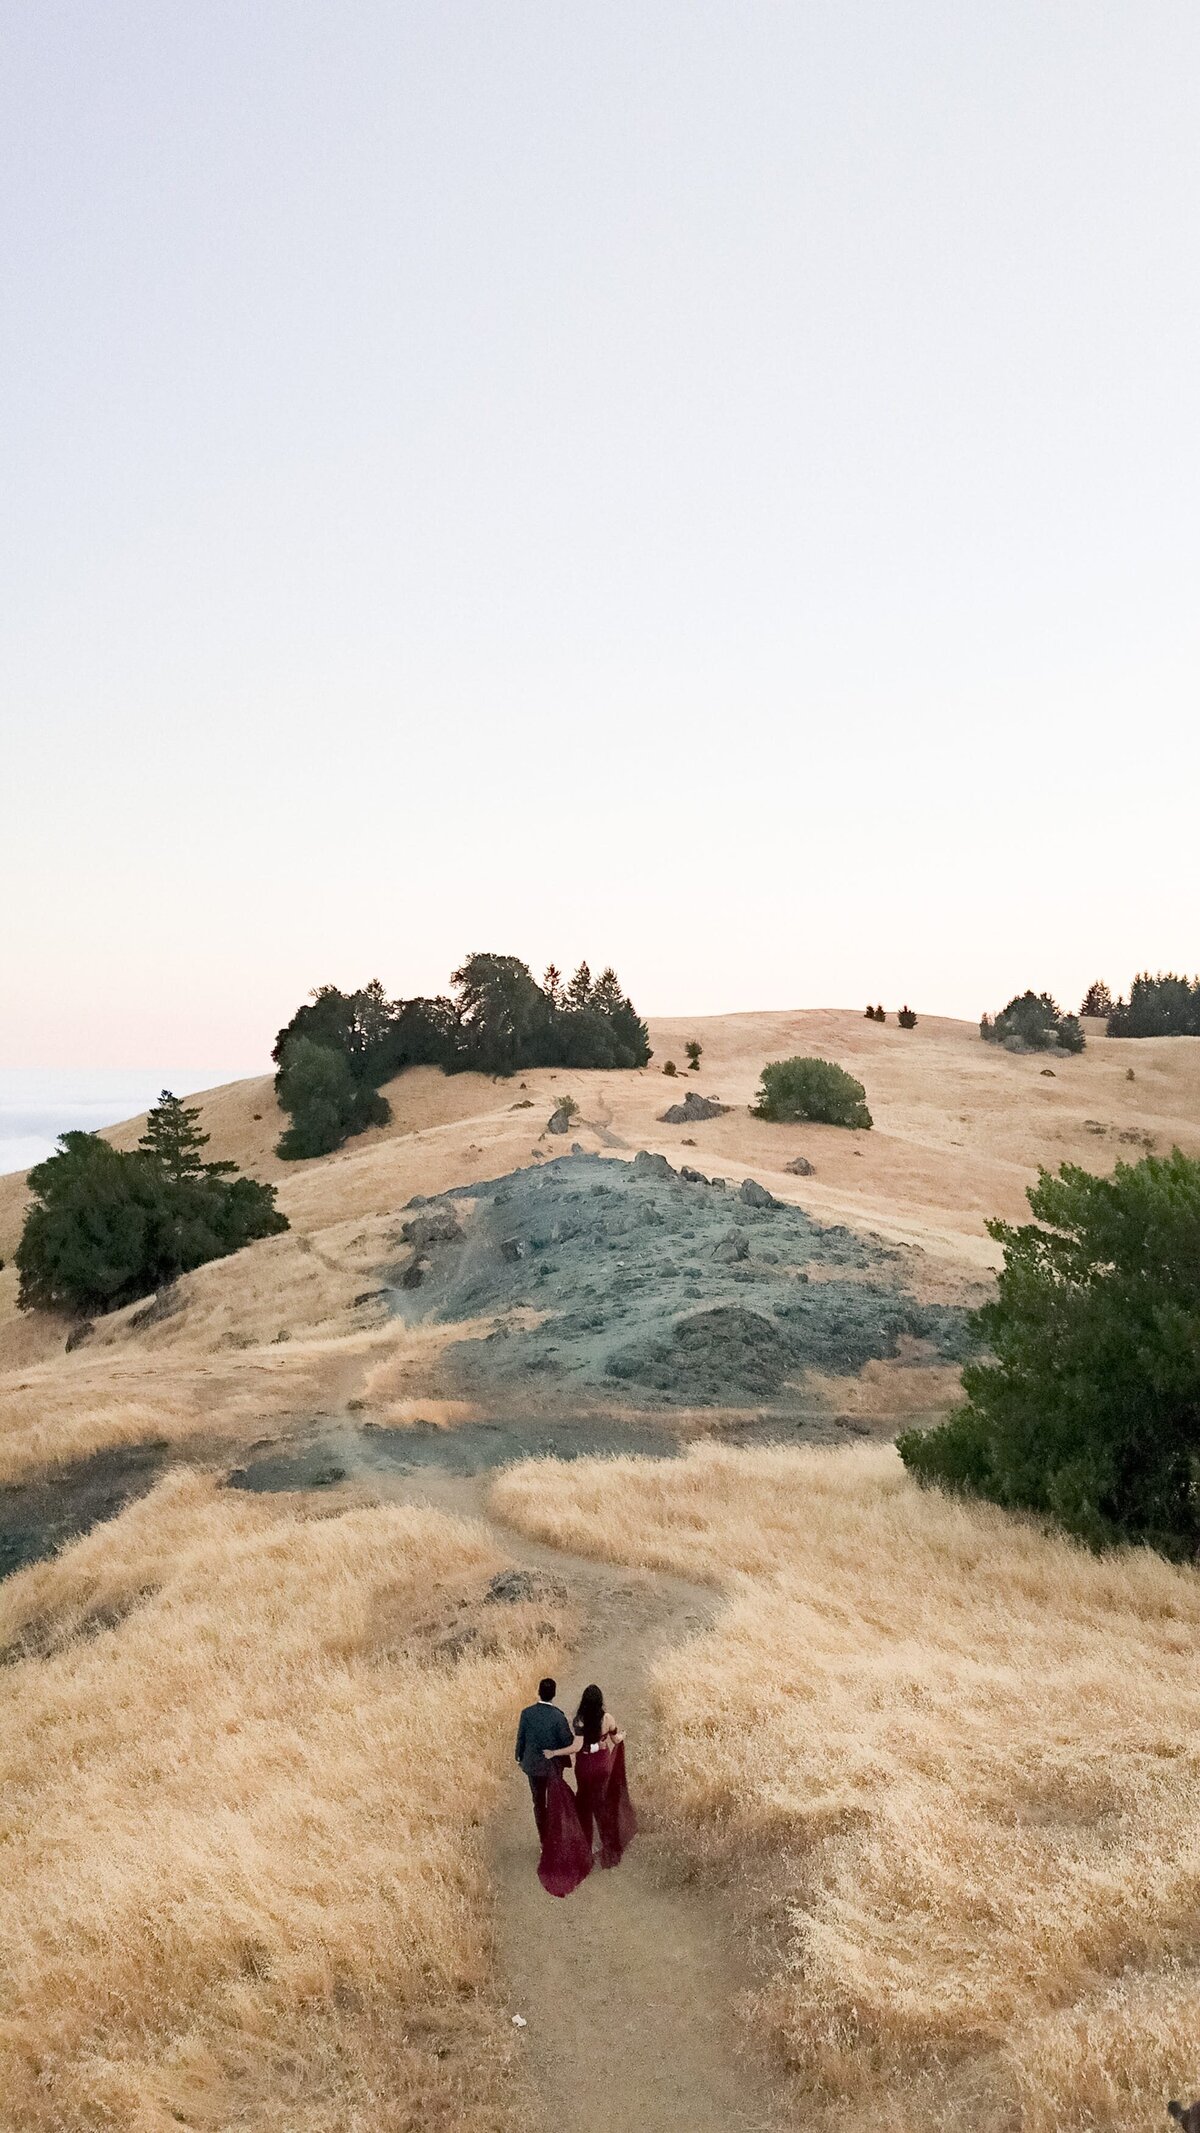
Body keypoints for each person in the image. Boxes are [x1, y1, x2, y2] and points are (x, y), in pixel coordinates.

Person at [544, 1681, 637, 1868]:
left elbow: (577, 1747)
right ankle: (608, 1847)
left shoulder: (579, 1720)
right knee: (601, 1804)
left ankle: (585, 1850)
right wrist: (623, 1736)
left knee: (584, 1805)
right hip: (602, 1765)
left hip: (585, 1766)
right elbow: (615, 1739)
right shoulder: (608, 1719)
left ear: (584, 1702)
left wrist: (554, 1752)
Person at [514, 1677, 573, 1843]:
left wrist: (519, 1756)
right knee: (555, 1801)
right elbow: (567, 1741)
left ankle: (543, 1840)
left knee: (538, 1803)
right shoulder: (558, 1716)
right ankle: (556, 1837)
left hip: (533, 1765)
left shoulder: (526, 1713)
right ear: (554, 1694)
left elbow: (521, 1738)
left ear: (539, 1692)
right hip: (553, 1767)